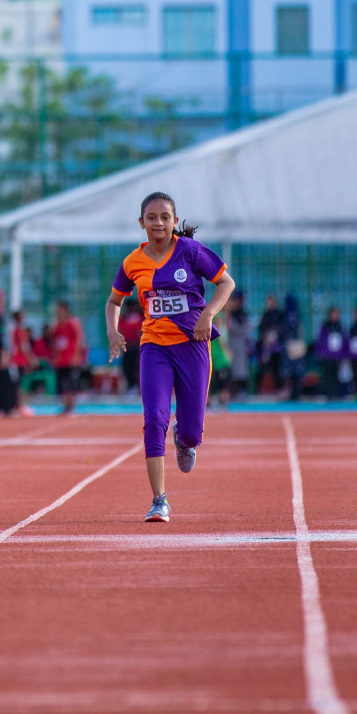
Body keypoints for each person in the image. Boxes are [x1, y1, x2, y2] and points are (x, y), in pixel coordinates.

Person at [106, 191, 235, 524]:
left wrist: (207, 315)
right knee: (154, 419)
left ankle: (184, 438)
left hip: (192, 345)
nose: (158, 223)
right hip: (154, 349)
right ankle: (159, 500)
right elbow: (114, 301)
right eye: (152, 218)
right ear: (141, 223)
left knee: (192, 431)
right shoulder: (133, 263)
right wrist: (113, 330)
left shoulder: (191, 252)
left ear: (175, 221)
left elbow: (226, 283)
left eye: (165, 217)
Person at [51, 301, 85, 415]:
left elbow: (78, 340)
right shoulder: (57, 326)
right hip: (61, 359)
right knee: (62, 383)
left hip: (70, 358)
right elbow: (55, 342)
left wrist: (77, 356)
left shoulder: (72, 323)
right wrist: (55, 357)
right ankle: (66, 405)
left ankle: (71, 405)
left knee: (70, 382)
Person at [315, 306, 348, 399]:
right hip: (327, 355)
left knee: (336, 376)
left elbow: (345, 341)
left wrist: (345, 355)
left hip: (337, 356)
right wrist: (320, 352)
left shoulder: (340, 327)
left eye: (336, 315)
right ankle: (328, 394)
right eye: (332, 314)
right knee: (327, 376)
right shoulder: (325, 327)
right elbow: (320, 340)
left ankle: (336, 394)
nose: (334, 316)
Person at [257, 294, 286, 393]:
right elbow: (261, 329)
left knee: (277, 369)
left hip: (277, 348)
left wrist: (274, 336)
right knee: (262, 368)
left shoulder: (280, 315)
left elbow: (283, 329)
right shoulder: (266, 315)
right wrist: (266, 338)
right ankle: (259, 390)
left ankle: (280, 389)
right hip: (266, 348)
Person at [225, 292, 251, 398]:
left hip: (240, 345)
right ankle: (232, 392)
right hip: (229, 345)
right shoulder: (226, 314)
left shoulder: (241, 315)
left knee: (240, 369)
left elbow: (245, 330)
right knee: (230, 370)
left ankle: (242, 391)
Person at [117, 297, 144, 391]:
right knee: (127, 367)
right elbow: (120, 330)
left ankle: (140, 386)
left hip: (138, 346)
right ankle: (131, 385)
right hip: (127, 346)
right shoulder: (124, 318)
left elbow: (141, 331)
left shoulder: (142, 316)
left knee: (140, 367)